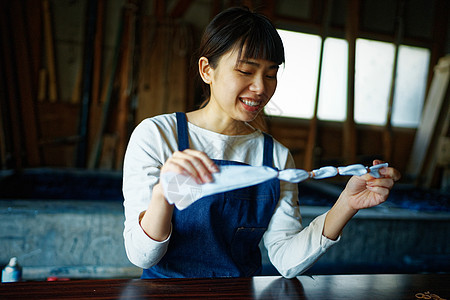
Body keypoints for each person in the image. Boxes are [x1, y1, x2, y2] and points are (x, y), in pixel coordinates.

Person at [122, 6, 401, 279]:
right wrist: (163, 194)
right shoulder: (157, 135)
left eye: (270, 74)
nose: (261, 88)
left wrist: (347, 204)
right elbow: (141, 255)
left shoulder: (276, 156)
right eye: (245, 71)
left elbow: (286, 261)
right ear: (207, 70)